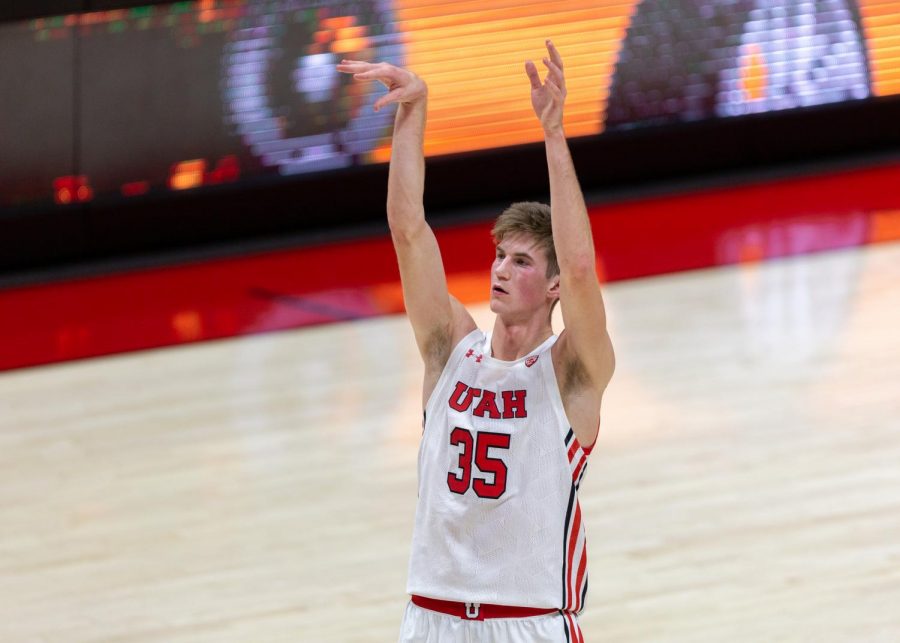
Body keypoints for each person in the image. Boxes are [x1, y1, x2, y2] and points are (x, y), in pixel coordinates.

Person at [338, 40, 615, 643]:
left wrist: (554, 135)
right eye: (498, 256)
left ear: (552, 287)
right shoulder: (450, 350)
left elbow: (582, 263)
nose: (500, 270)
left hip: (527, 621)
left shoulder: (572, 371)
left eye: (521, 262)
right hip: (430, 616)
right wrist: (414, 112)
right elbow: (407, 229)